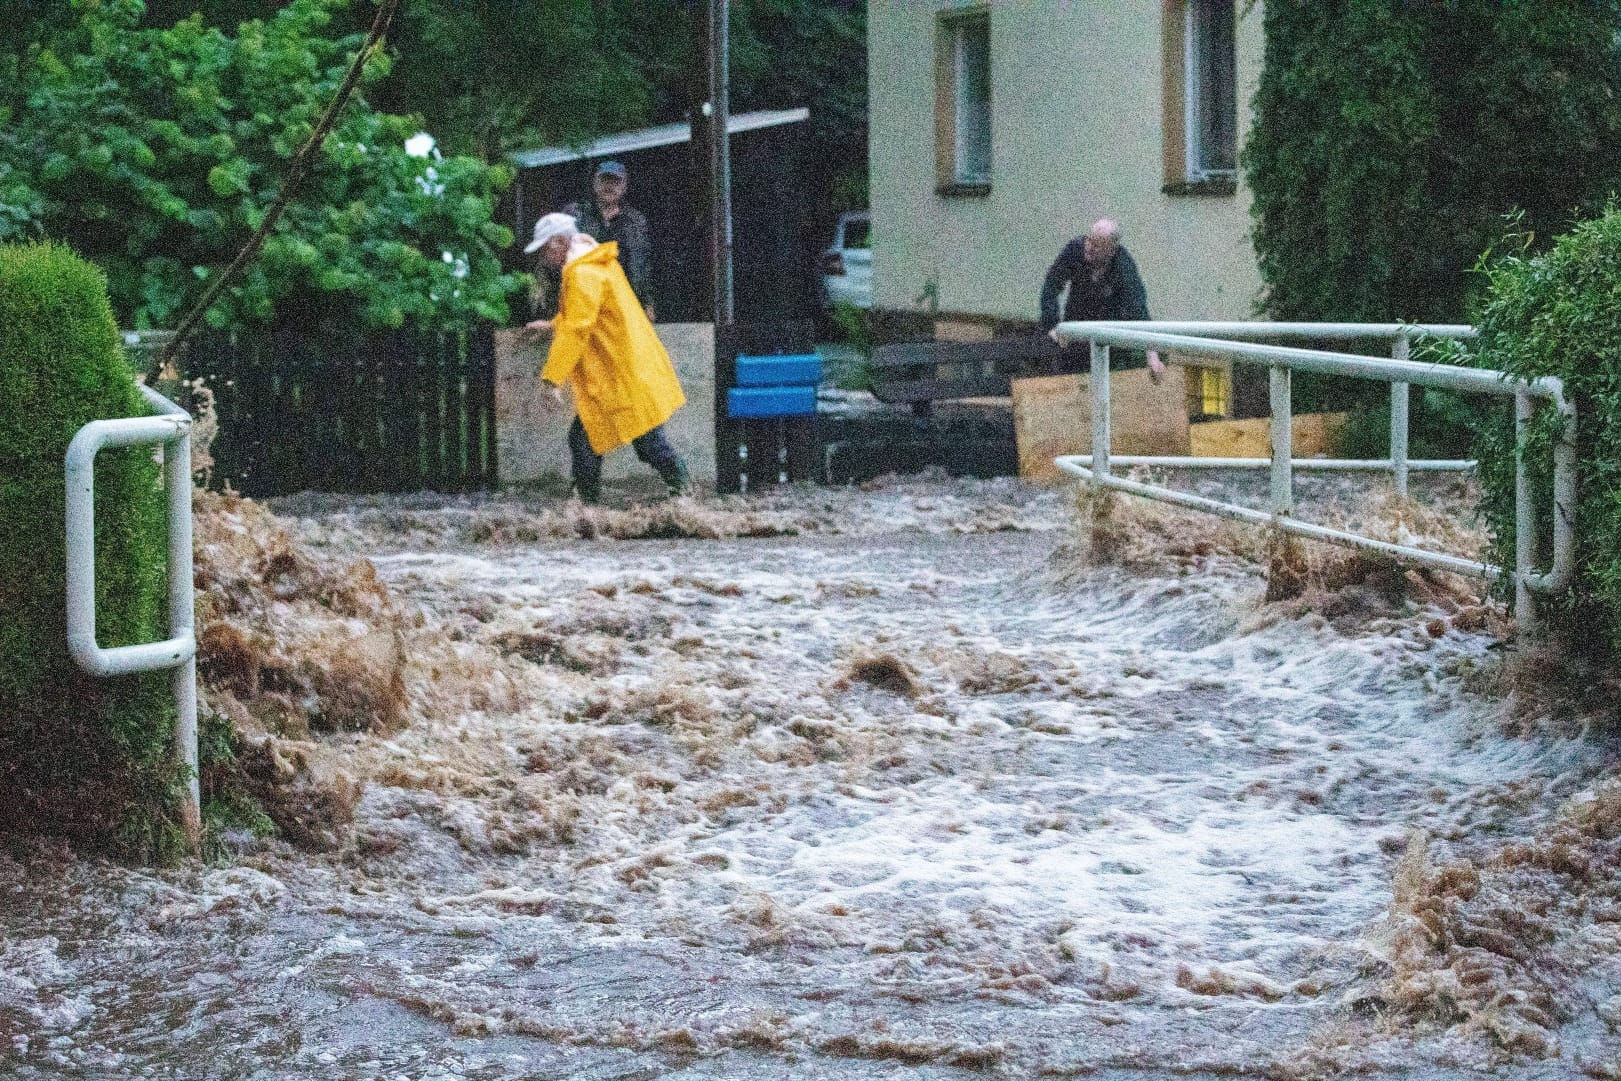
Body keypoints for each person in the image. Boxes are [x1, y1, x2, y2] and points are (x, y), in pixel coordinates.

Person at [520, 212, 690, 505]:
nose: (543, 258)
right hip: (627, 369)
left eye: (544, 248)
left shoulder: (582, 272)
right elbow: (587, 315)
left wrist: (552, 379)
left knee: (638, 442)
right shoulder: (592, 263)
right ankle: (683, 496)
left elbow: (578, 328)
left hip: (621, 373)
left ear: (559, 243)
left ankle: (590, 511)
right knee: (613, 441)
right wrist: (552, 325)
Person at [1039, 218, 1165, 380]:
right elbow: (1051, 285)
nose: (1089, 248)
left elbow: (1139, 310)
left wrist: (1152, 357)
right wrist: (1053, 325)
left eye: (1097, 245)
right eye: (1089, 241)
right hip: (1075, 333)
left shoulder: (1123, 266)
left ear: (1111, 250)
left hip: (1110, 337)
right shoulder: (1075, 250)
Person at [563, 160, 655, 321]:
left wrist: (647, 303)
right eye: (605, 180)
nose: (609, 186)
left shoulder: (636, 221)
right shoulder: (576, 214)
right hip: (584, 300)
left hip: (624, 302)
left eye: (615, 181)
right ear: (594, 183)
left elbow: (643, 264)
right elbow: (558, 254)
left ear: (624, 186)